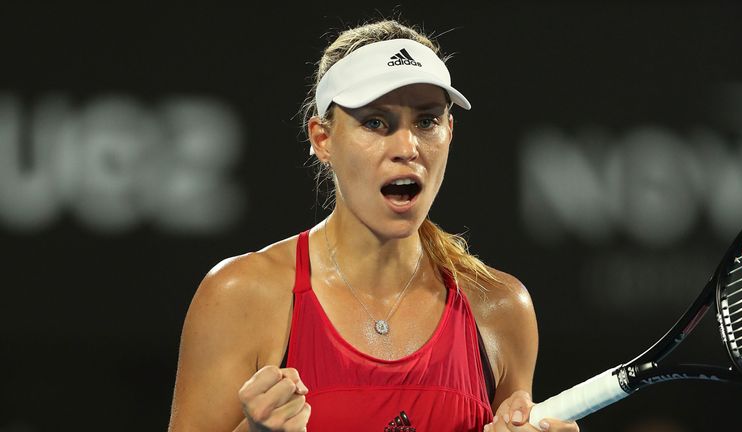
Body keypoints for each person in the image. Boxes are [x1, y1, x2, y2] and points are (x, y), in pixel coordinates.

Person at [167, 19, 580, 432]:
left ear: (449, 132)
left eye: (426, 121)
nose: (407, 148)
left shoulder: (501, 309)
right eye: (376, 123)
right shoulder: (240, 296)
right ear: (322, 139)